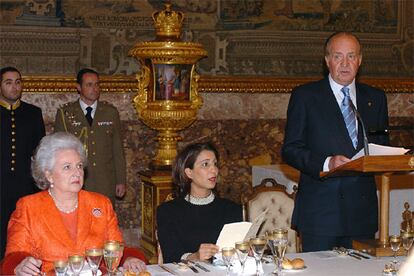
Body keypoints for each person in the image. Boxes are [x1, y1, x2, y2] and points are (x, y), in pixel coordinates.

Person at [281, 32, 389, 252]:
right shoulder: (306, 96)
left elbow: (381, 147)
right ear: (327, 60)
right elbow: (290, 149)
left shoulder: (375, 99)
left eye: (351, 56)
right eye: (338, 56)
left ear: (360, 60)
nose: (345, 63)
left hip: (361, 214)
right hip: (321, 214)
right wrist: (326, 163)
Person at [0, 132, 146, 275]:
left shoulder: (101, 204)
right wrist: (19, 266)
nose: (77, 172)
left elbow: (116, 249)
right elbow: (14, 256)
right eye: (67, 167)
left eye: (79, 166)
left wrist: (129, 258)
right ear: (49, 175)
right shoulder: (28, 207)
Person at [157, 142, 242, 263]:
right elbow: (171, 256)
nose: (214, 170)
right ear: (189, 172)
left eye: (215, 164)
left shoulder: (232, 209)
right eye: (205, 164)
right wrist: (195, 257)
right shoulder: (168, 211)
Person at [54, 68, 126, 203]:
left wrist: (121, 180)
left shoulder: (110, 112)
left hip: (104, 181)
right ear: (78, 87)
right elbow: (59, 151)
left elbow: (117, 150)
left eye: (97, 84)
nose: (95, 88)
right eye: (89, 85)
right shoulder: (66, 113)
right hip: (75, 180)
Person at [0, 66, 45, 259]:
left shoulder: (33, 113)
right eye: (8, 82)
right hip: (0, 185)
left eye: (18, 82)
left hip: (26, 186)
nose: (14, 87)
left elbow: (40, 151)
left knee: (25, 231)